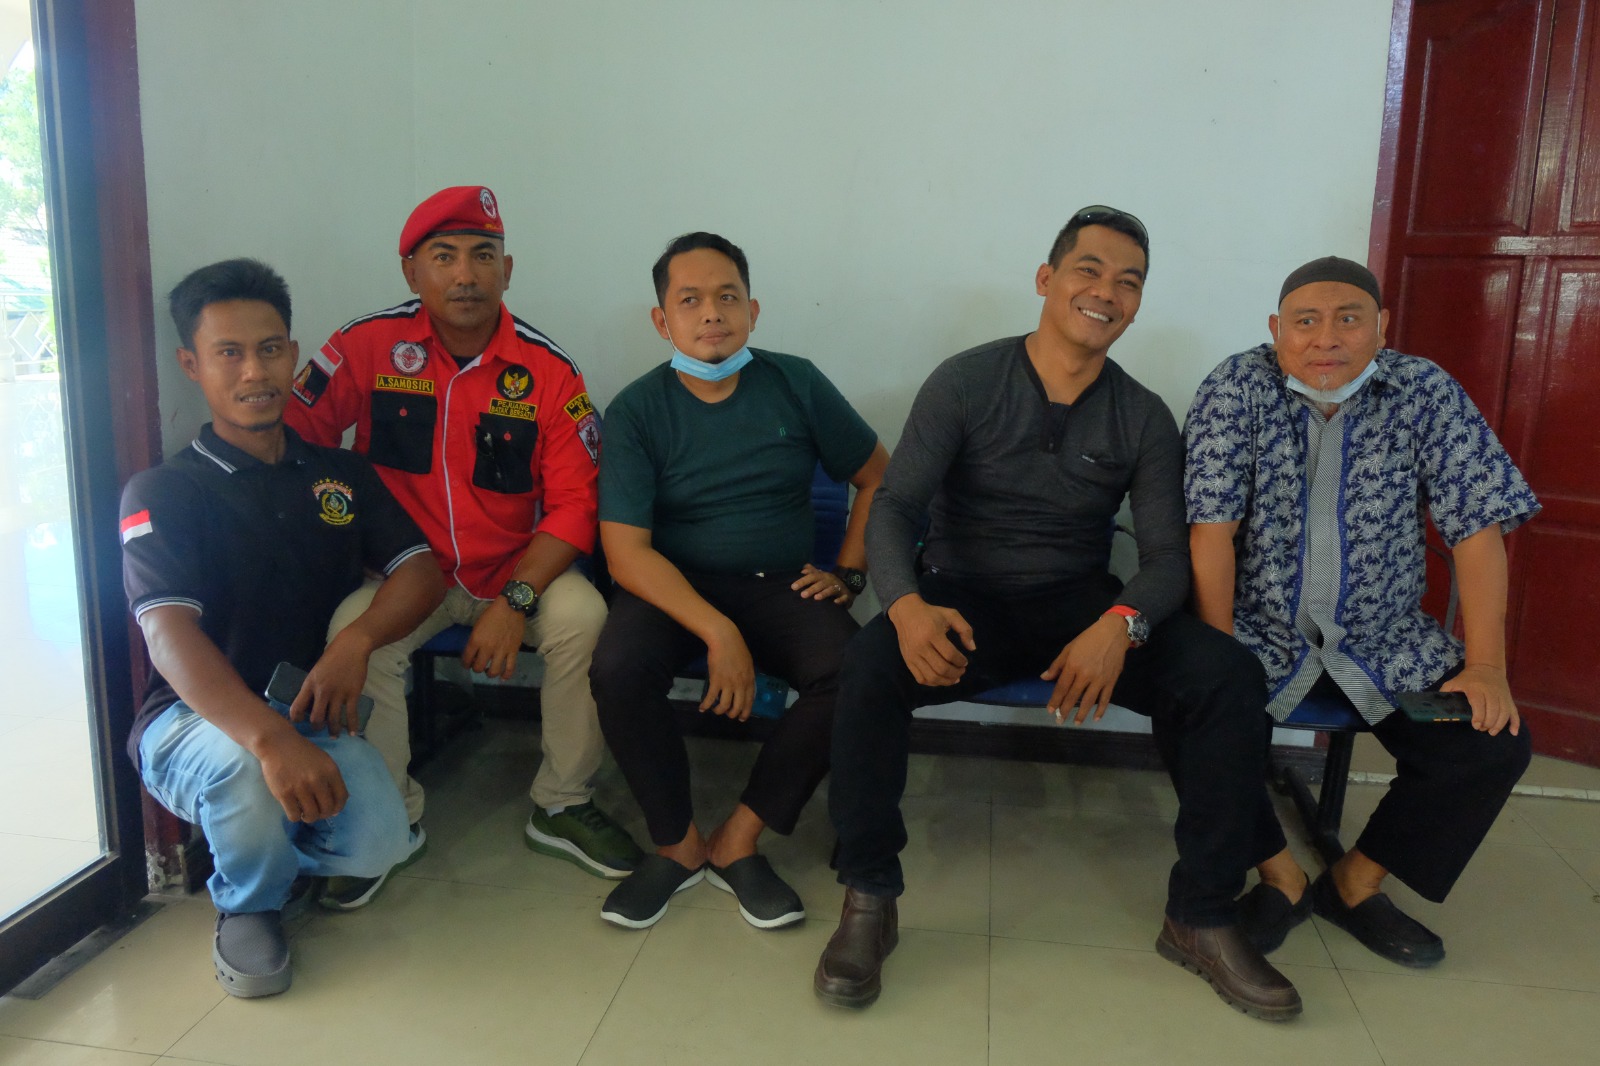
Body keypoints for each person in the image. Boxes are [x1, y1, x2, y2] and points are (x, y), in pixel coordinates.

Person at [817, 208, 1303, 1021]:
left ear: (1137, 304)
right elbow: (895, 507)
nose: (1106, 291)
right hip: (964, 600)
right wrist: (904, 606)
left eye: (1128, 281)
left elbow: (1166, 558)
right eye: (1089, 270)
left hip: (1081, 606)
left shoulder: (1142, 414)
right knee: (868, 666)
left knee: (1225, 675)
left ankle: (1201, 914)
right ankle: (869, 897)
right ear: (1047, 280)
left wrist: (1121, 626)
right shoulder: (966, 381)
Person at [1185, 255, 1537, 968]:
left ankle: (1353, 883)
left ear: (1381, 326)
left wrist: (1486, 666)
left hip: (1389, 646)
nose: (1326, 338)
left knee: (1488, 742)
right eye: (1306, 321)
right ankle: (1279, 876)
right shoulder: (1238, 385)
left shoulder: (1424, 390)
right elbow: (1212, 530)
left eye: (1348, 319)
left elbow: (1477, 529)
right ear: (1276, 329)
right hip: (1260, 638)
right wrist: (1217, 652)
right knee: (1200, 713)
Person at [286, 186, 640, 894]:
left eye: (483, 255)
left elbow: (576, 505)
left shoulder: (548, 371)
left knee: (585, 618)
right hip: (404, 574)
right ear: (411, 272)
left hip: (517, 569)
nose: (466, 275)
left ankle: (562, 803)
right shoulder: (365, 348)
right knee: (353, 635)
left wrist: (515, 600)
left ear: (507, 271)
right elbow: (299, 446)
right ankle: (390, 819)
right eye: (443, 257)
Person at [121, 259, 444, 997]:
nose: (254, 371)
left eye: (270, 349)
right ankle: (248, 904)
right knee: (243, 768)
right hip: (190, 721)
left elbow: (422, 573)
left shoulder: (339, 473)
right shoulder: (164, 490)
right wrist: (269, 741)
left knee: (382, 842)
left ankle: (265, 839)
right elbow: (168, 636)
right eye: (228, 353)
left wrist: (355, 642)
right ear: (191, 365)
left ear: (294, 356)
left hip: (300, 709)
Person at [591, 232, 890, 931]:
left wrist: (850, 572)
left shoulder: (797, 383)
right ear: (662, 320)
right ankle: (677, 844)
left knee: (856, 670)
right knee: (618, 668)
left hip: (779, 581)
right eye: (689, 300)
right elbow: (627, 554)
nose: (711, 313)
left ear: (752, 311)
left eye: (727, 297)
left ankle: (738, 840)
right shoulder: (637, 409)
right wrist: (718, 631)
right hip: (672, 586)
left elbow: (879, 478)